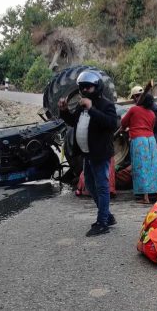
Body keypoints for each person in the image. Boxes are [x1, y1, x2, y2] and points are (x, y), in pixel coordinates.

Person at [59, 70, 120, 236]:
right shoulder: (82, 105)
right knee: (91, 186)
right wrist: (64, 111)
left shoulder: (105, 105)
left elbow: (111, 124)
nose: (85, 91)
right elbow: (74, 122)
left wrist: (91, 108)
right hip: (87, 154)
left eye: (89, 87)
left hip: (100, 154)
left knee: (101, 187)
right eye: (82, 88)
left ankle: (102, 223)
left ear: (98, 87)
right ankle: (107, 215)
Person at [120, 86, 157, 204]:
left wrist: (126, 129)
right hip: (151, 140)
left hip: (139, 140)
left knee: (141, 167)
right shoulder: (152, 114)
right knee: (154, 167)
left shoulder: (134, 109)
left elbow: (123, 123)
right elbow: (151, 127)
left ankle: (145, 197)